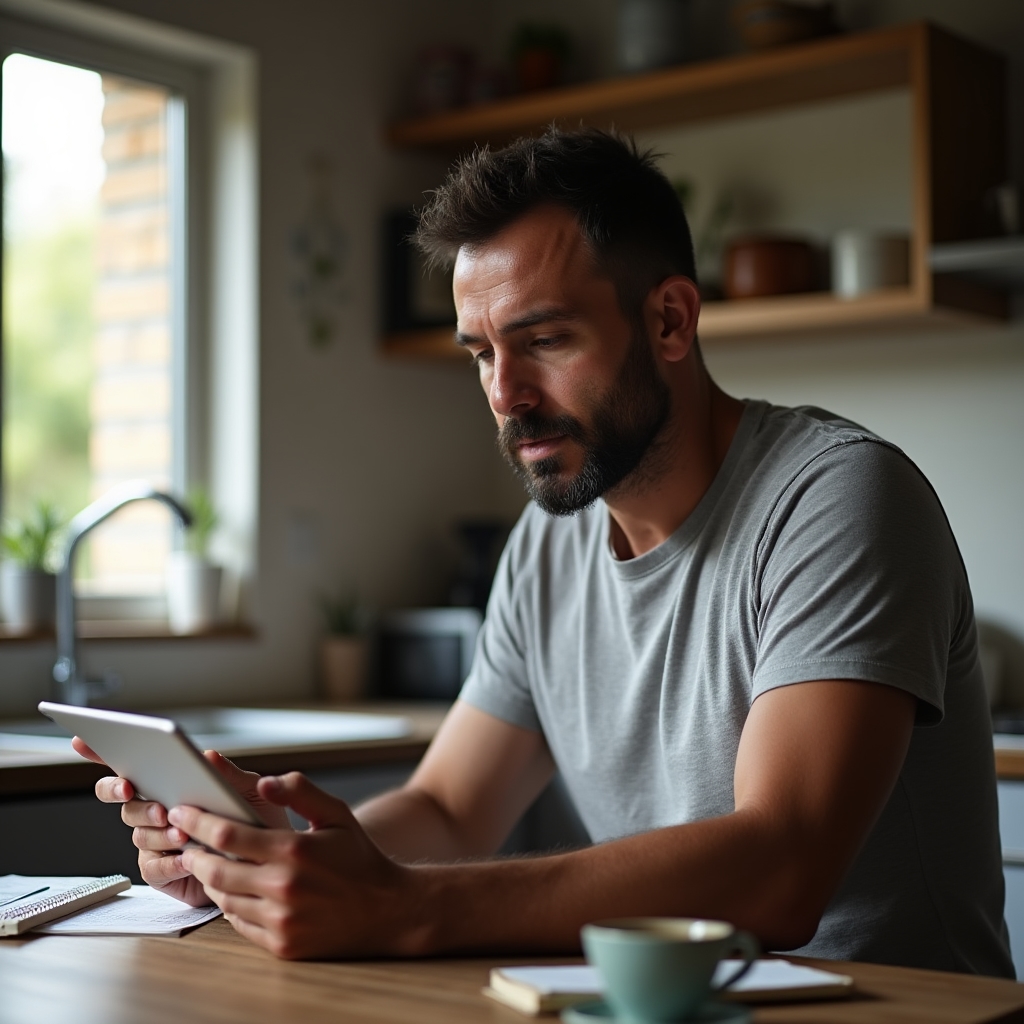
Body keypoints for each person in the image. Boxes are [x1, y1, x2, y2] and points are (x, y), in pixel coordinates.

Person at [79, 128, 1012, 975]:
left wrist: (401, 907)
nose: (505, 393)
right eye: (481, 353)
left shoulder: (836, 498)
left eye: (545, 339)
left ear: (670, 321)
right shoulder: (548, 543)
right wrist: (276, 856)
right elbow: (449, 809)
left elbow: (781, 869)